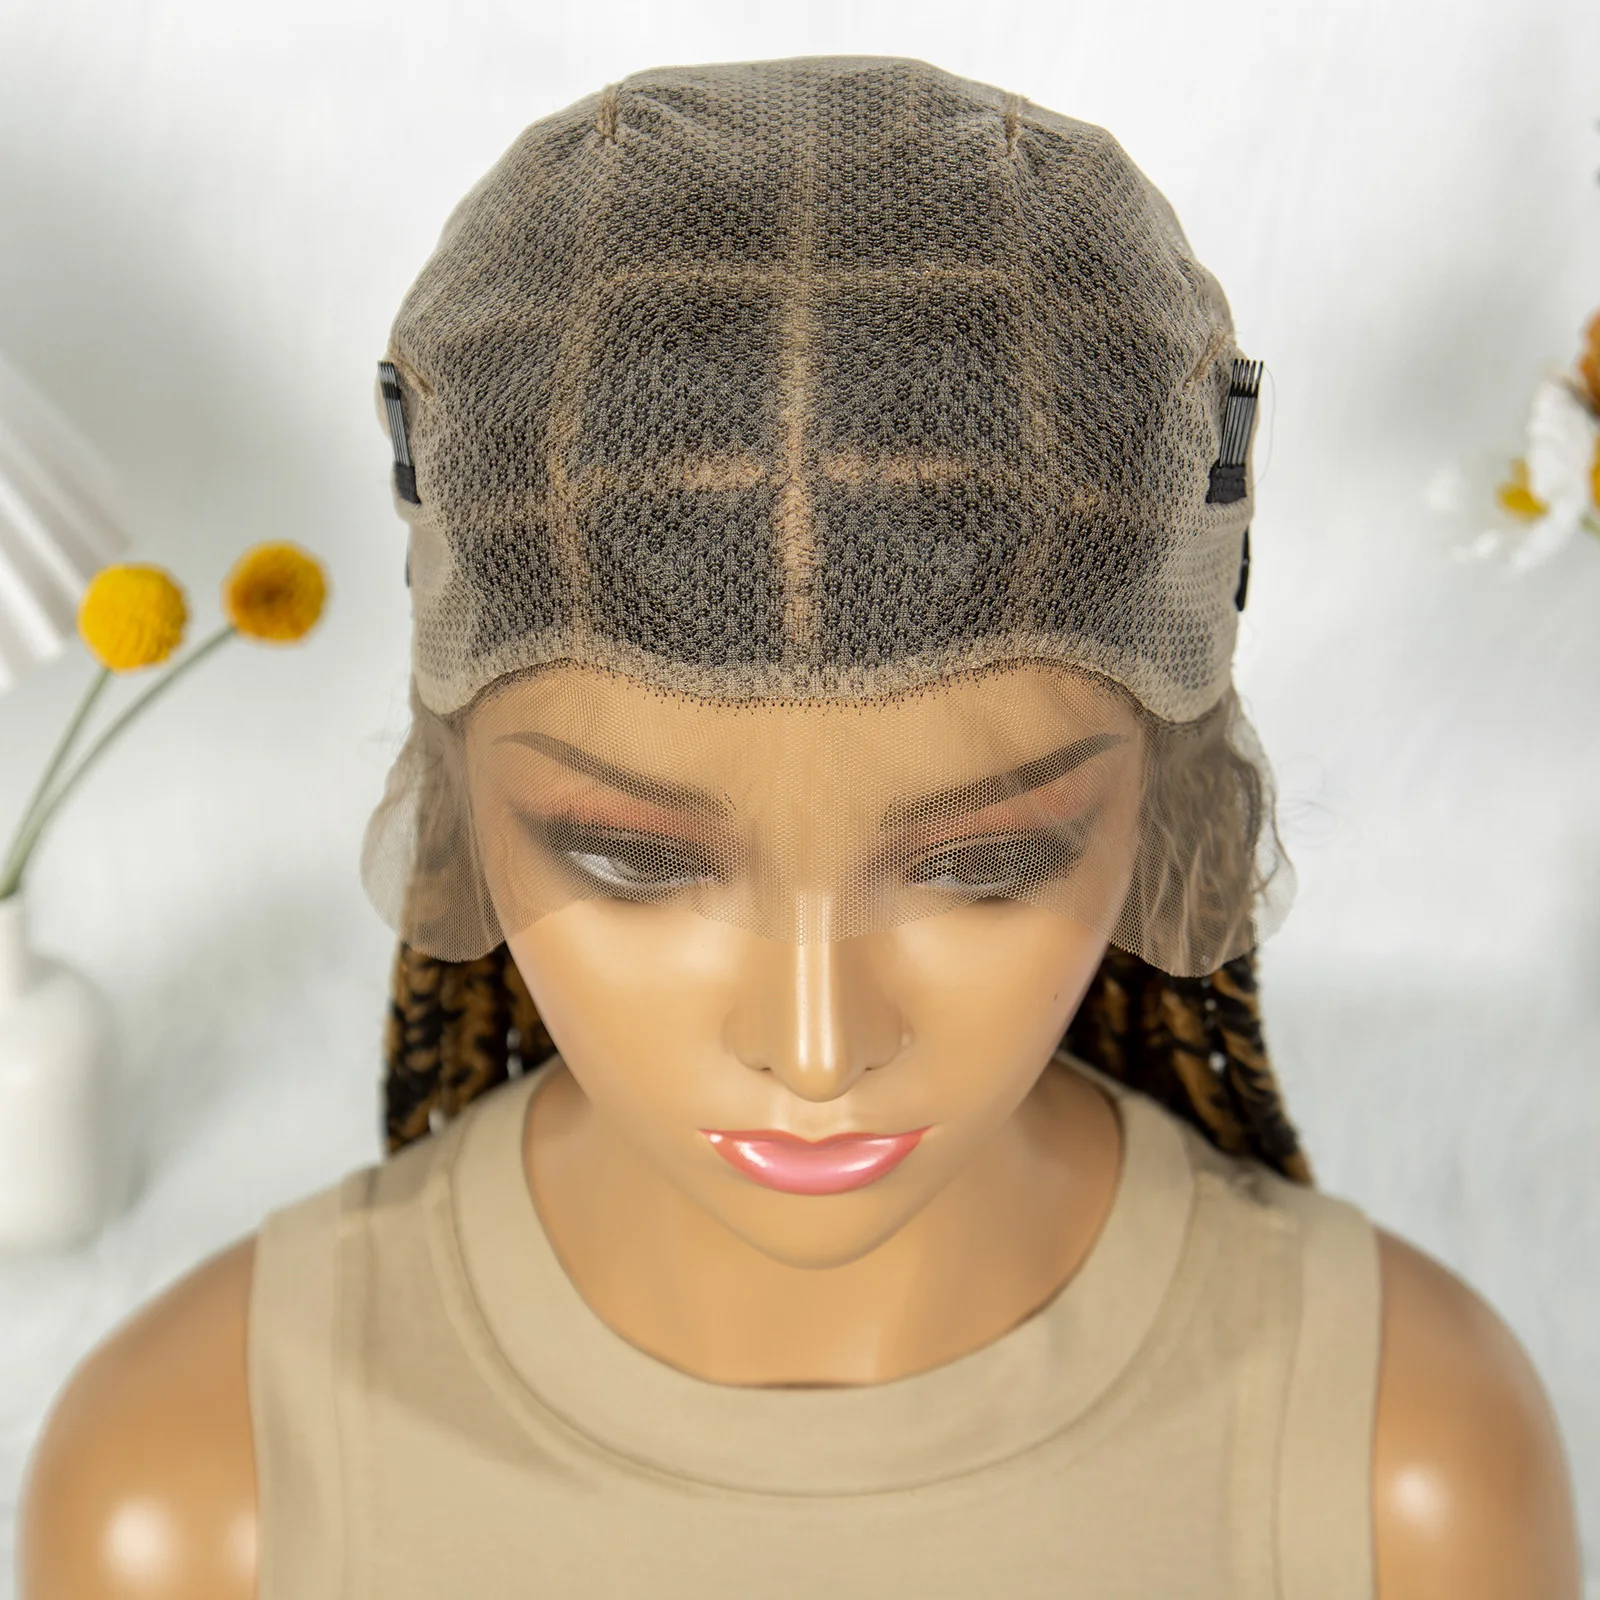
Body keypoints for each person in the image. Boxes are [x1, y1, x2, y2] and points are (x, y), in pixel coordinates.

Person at [17, 55, 1583, 1599]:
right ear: (456, 796)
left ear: (1167, 797)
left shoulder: (1403, 1479)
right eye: (632, 862)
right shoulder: (195, 1497)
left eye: (987, 865)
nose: (816, 1049)